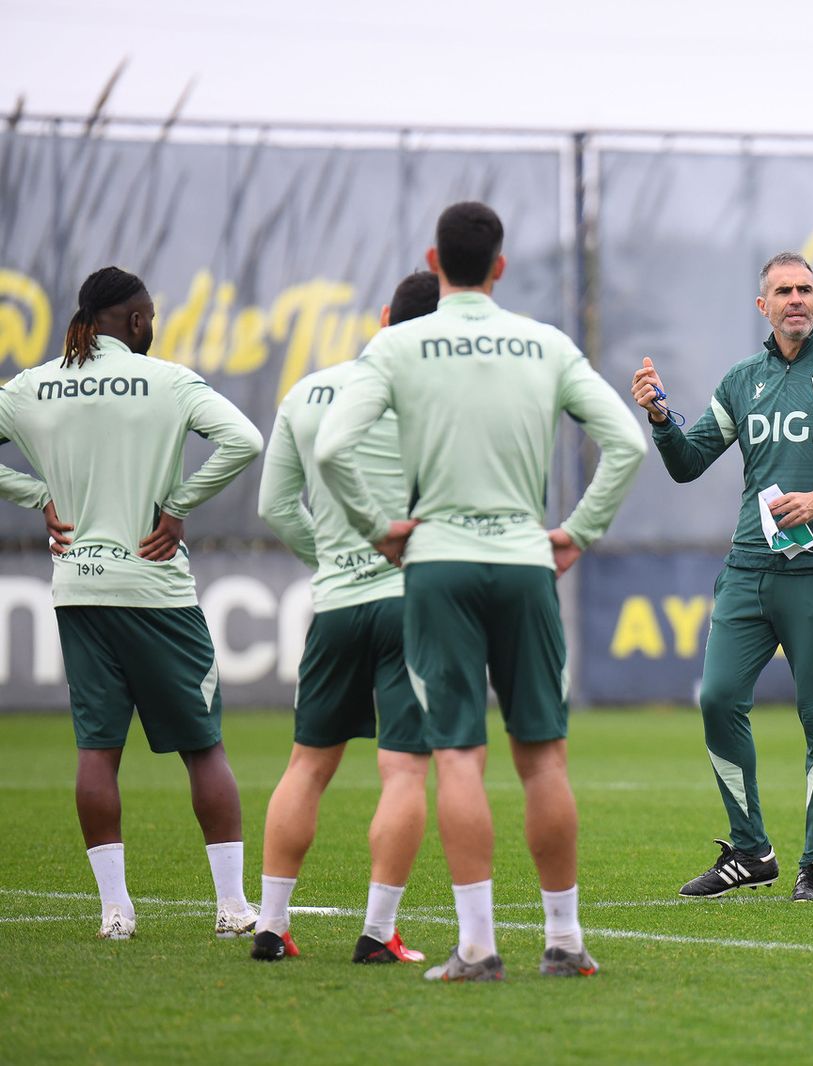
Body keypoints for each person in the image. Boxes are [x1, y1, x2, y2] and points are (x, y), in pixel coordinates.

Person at [316, 202, 646, 983]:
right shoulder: (545, 342)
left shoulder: (396, 345)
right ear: (500, 265)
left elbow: (332, 447)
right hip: (526, 557)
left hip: (439, 563)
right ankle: (564, 940)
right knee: (544, 757)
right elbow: (628, 442)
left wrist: (379, 528)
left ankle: (477, 948)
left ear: (436, 260)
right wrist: (579, 530)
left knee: (458, 756)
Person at [630, 251, 813, 903]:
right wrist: (662, 421)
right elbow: (689, 463)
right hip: (748, 569)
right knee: (718, 698)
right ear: (764, 306)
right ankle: (751, 850)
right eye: (783, 291)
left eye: (806, 289)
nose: (796, 299)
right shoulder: (743, 380)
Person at [0, 266, 264, 941]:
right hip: (156, 590)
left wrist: (37, 497)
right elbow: (245, 441)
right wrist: (178, 507)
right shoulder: (169, 380)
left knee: (97, 750)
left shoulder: (33, 385)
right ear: (138, 320)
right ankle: (233, 908)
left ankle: (115, 911)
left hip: (79, 587)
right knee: (203, 749)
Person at [250, 271, 440, 965]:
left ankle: (270, 927)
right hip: (412, 601)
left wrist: (329, 558)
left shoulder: (306, 392)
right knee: (404, 773)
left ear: (384, 315)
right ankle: (377, 933)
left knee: (305, 766)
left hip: (335, 605)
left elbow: (275, 506)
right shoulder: (436, 395)